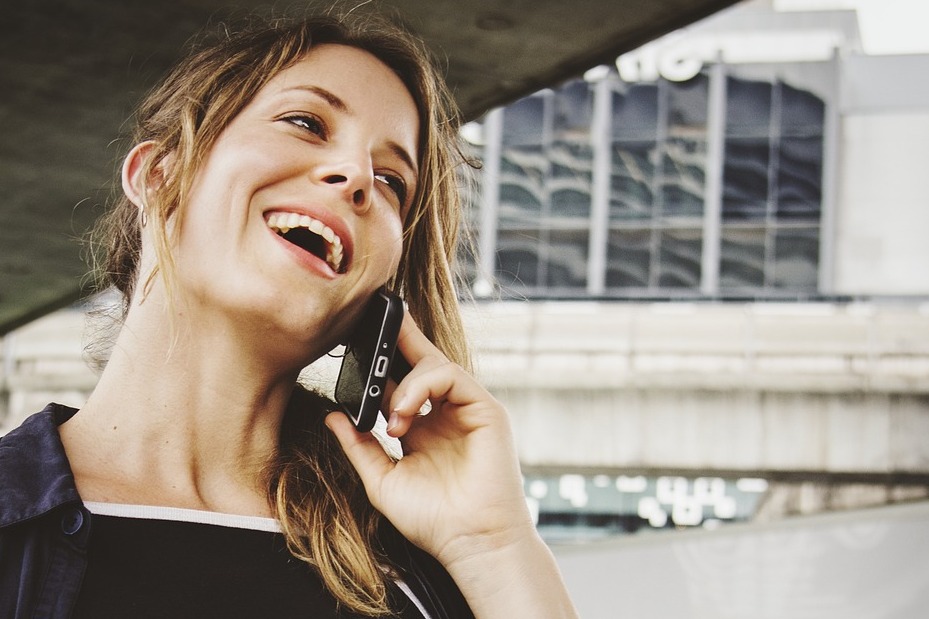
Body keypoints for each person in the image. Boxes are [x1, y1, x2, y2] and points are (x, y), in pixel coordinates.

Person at [0, 10, 580, 619]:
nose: (357, 177)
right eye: (305, 122)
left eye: (391, 180)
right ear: (159, 175)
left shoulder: (419, 570)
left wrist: (494, 547)